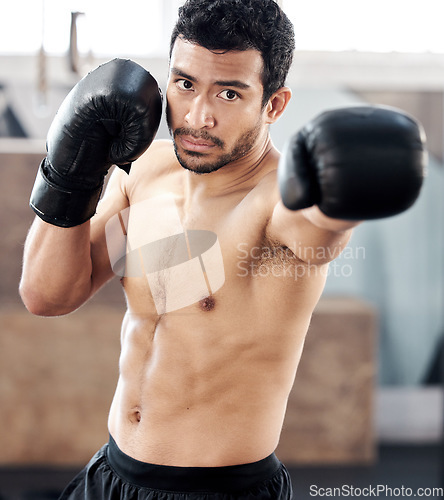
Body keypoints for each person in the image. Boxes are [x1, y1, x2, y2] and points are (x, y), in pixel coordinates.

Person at [19, 0, 426, 498]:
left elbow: (318, 227)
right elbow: (49, 296)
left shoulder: (277, 204)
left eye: (229, 93)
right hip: (112, 474)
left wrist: (346, 198)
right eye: (185, 84)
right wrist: (71, 170)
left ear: (274, 104)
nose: (198, 116)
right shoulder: (147, 172)